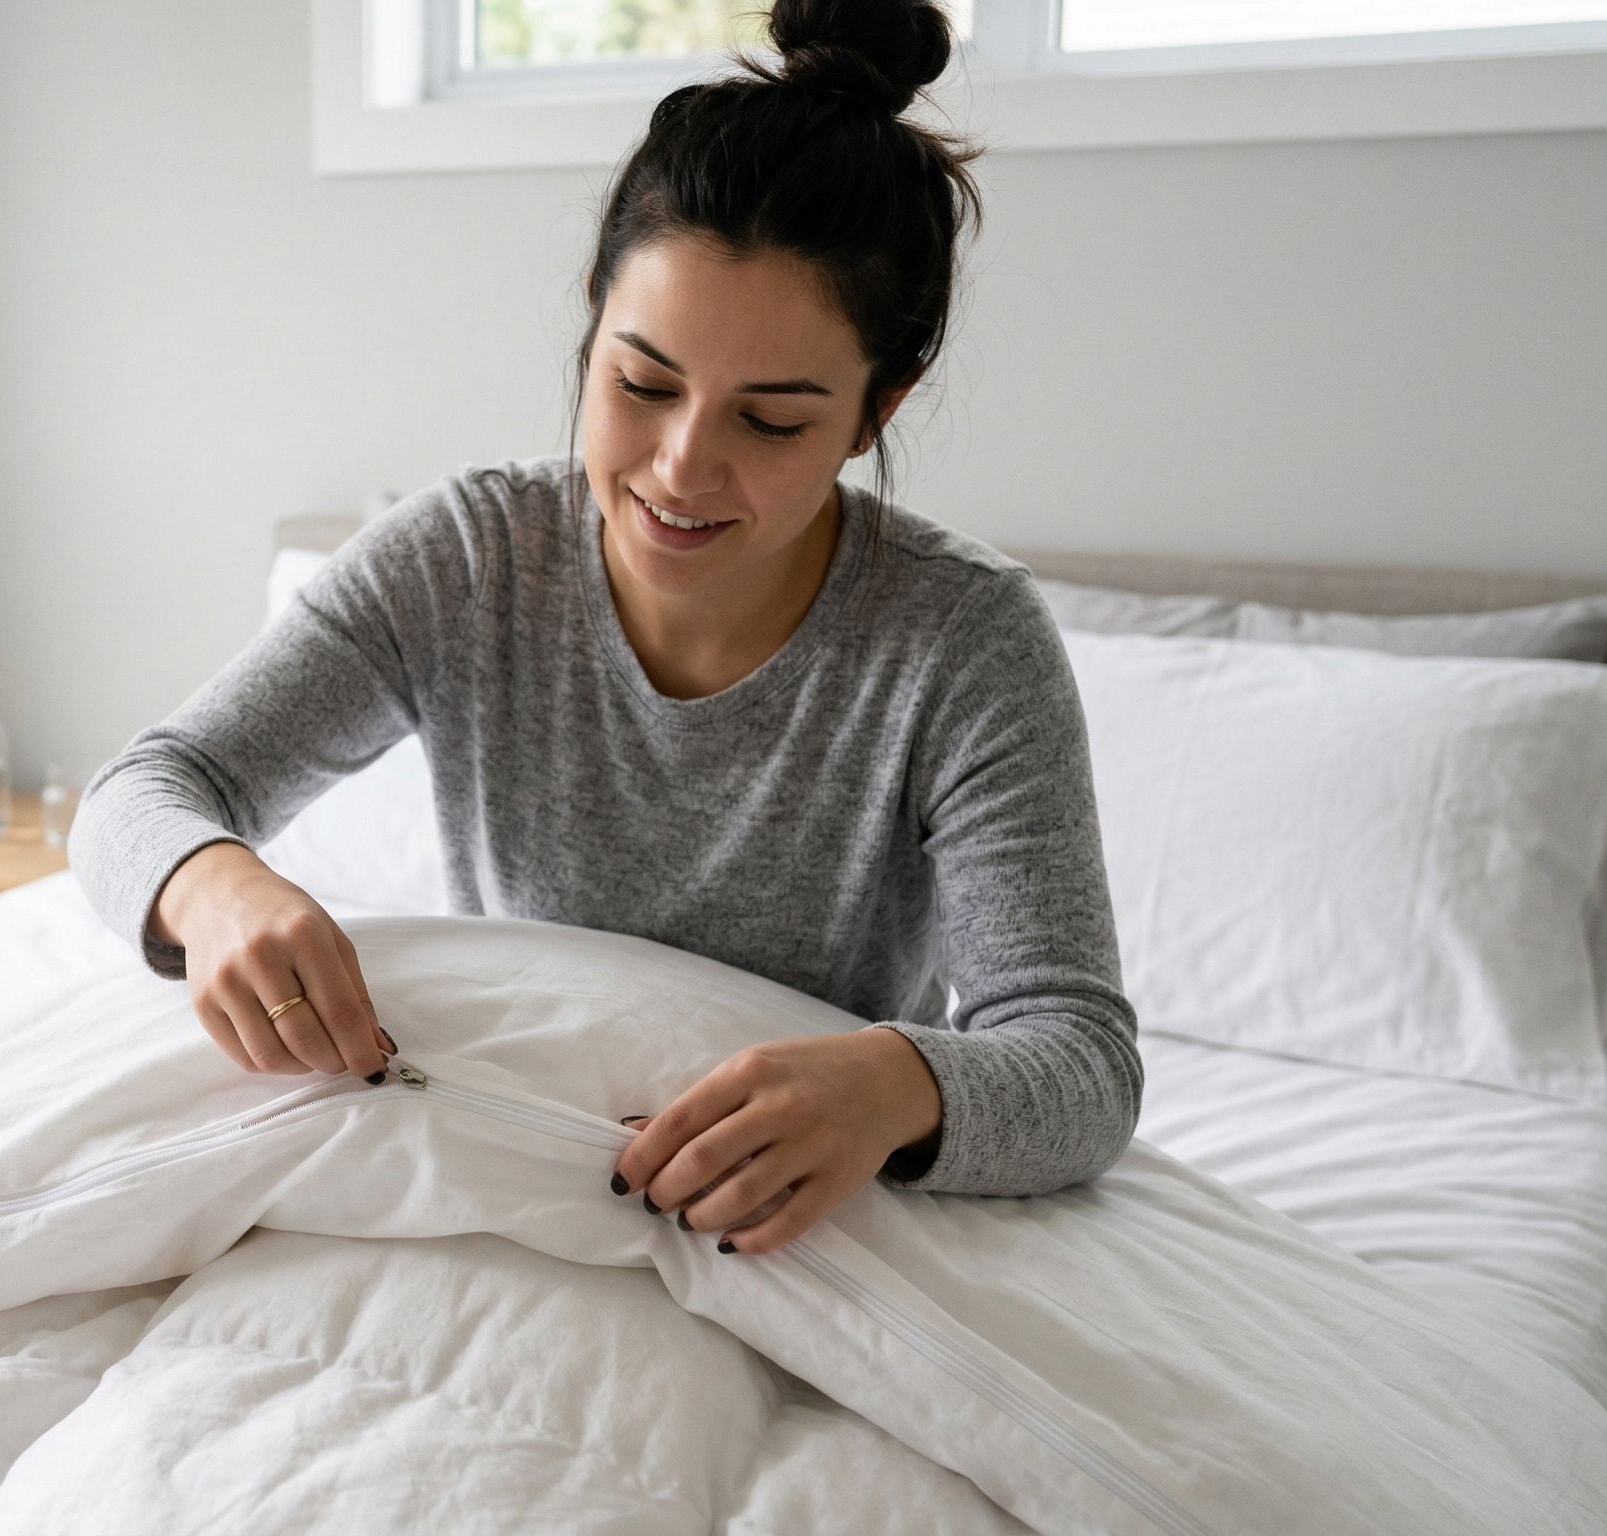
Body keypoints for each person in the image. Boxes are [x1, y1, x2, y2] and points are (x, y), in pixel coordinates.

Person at [67, 0, 1139, 1259]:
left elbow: (1077, 1061)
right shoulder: (471, 558)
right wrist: (215, 886)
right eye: (641, 384)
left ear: (873, 409)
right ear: (590, 325)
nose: (682, 469)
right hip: (498, 1175)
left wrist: (886, 1084)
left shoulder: (962, 643)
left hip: (782, 1227)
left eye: (773, 421)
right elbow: (143, 791)